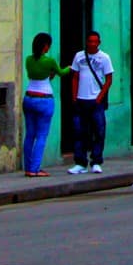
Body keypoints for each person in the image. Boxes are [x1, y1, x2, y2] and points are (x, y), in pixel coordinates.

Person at [22, 32, 70, 177]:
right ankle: (35, 168)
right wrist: (70, 67)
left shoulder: (28, 60)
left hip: (29, 98)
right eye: (48, 45)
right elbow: (61, 72)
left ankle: (28, 168)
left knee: (30, 134)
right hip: (44, 99)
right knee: (42, 135)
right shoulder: (49, 61)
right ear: (45, 46)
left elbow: (35, 75)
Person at [68, 31, 113, 174]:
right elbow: (75, 77)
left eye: (95, 41)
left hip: (96, 100)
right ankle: (80, 162)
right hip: (81, 99)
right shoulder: (79, 56)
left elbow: (109, 79)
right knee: (79, 132)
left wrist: (99, 97)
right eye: (90, 41)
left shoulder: (104, 58)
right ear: (86, 42)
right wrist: (74, 96)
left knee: (99, 131)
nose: (92, 44)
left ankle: (96, 161)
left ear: (99, 43)